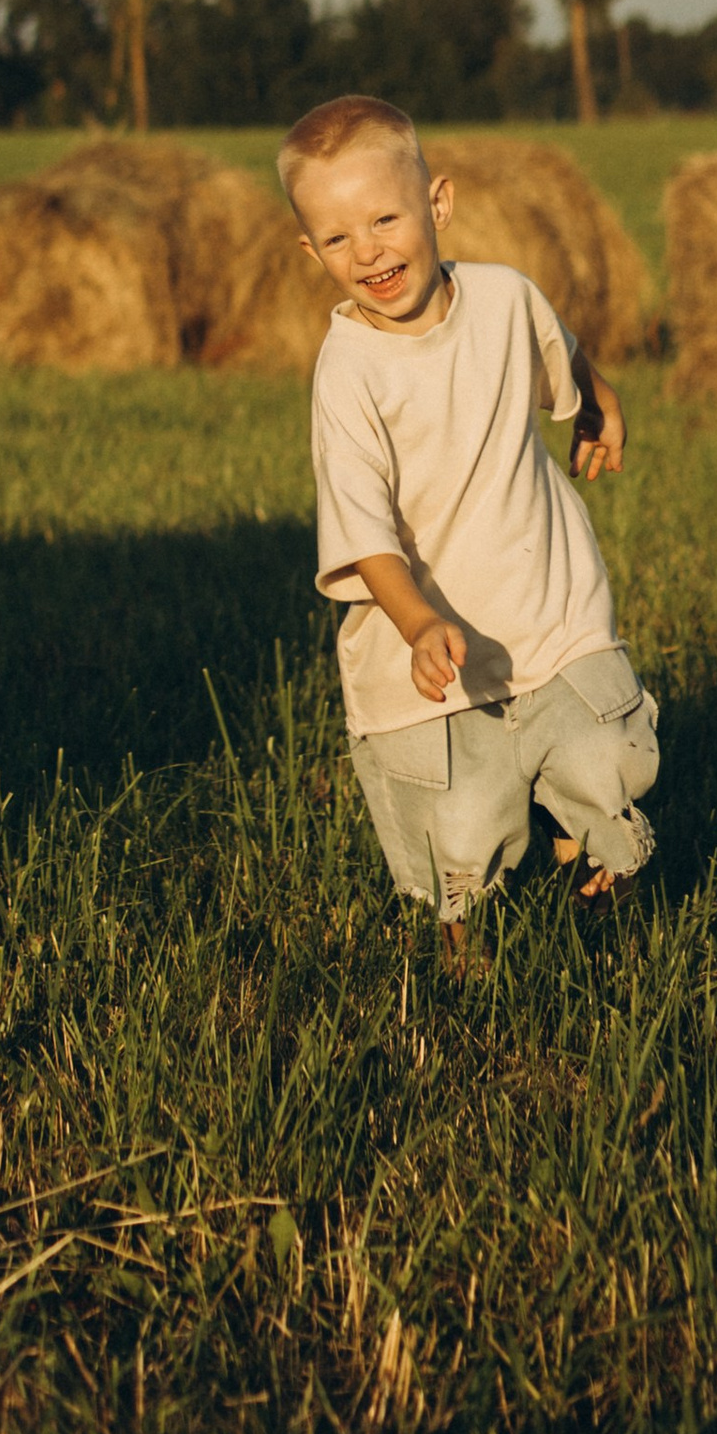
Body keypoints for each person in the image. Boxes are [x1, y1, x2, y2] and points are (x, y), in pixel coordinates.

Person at [281, 91, 658, 953]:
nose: (367, 249)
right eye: (337, 238)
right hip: (432, 645)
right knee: (463, 830)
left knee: (606, 763)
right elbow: (364, 530)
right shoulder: (348, 375)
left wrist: (600, 403)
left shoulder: (504, 297)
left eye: (384, 218)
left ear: (438, 204)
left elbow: (558, 345)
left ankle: (595, 883)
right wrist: (415, 622)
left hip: (548, 604)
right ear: (310, 251)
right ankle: (467, 970)